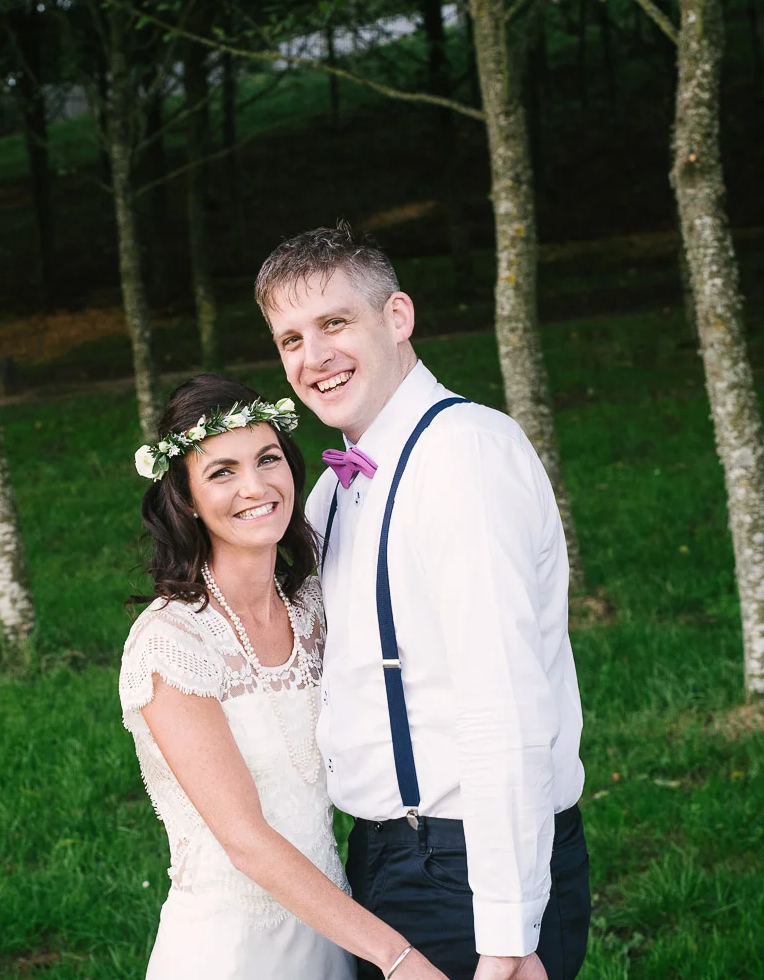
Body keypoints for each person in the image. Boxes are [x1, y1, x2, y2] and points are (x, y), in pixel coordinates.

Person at [256, 223, 591, 980]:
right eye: (291, 339)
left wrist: (507, 931)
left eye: (335, 323)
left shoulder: (465, 456)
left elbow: (502, 698)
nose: (315, 358)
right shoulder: (331, 491)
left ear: (397, 318)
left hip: (470, 867)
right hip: (380, 859)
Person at [119, 374, 450, 980]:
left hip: (329, 927)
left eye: (268, 459)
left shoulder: (313, 610)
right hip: (232, 949)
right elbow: (244, 839)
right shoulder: (172, 643)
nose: (255, 486)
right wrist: (396, 957)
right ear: (186, 496)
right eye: (222, 471)